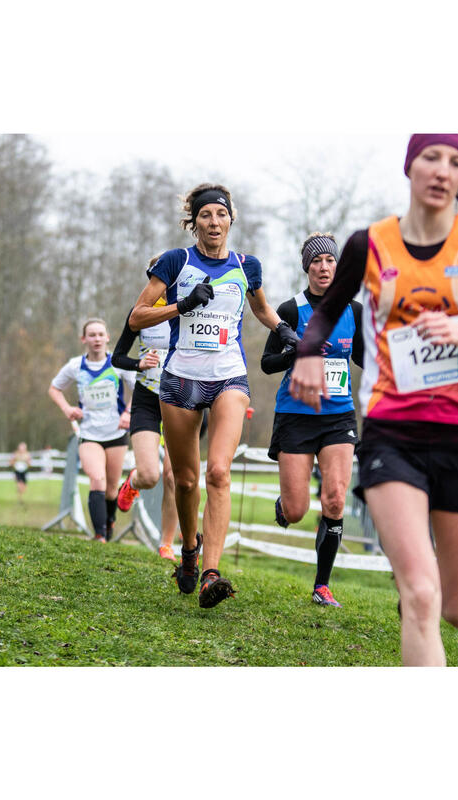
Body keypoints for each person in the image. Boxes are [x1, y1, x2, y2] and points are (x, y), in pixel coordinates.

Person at [288, 134, 458, 665]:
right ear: (409, 166)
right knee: (421, 595)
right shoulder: (367, 244)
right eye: (431, 158)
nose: (443, 171)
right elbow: (328, 309)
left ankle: (421, 591)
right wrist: (308, 350)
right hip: (391, 433)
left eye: (456, 162)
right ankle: (415, 592)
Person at [129, 183, 299, 608]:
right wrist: (182, 305)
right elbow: (136, 317)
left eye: (220, 215)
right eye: (205, 215)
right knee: (185, 481)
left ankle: (211, 573)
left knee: (218, 472)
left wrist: (281, 329)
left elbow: (260, 307)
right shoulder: (175, 262)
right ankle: (189, 552)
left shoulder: (247, 265)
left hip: (228, 377)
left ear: (230, 219)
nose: (214, 222)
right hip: (180, 378)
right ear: (194, 222)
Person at [261, 232, 363, 608]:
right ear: (307, 268)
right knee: (297, 510)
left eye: (330, 261)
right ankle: (284, 504)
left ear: (338, 267)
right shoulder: (290, 310)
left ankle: (322, 586)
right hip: (296, 416)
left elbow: (370, 360)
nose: (323, 268)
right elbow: (267, 363)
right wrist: (296, 352)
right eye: (316, 262)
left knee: (335, 498)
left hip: (338, 417)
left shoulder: (354, 312)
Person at [112, 255, 179, 561]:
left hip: (181, 400)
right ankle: (132, 482)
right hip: (147, 399)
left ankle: (167, 543)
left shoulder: (187, 310)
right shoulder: (140, 312)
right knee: (151, 475)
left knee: (175, 478)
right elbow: (117, 358)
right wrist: (139, 363)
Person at [49, 318, 136, 542]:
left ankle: (108, 525)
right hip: (89, 434)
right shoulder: (75, 366)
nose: (96, 339)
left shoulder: (118, 363)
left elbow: (139, 389)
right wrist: (67, 408)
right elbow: (54, 388)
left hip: (116, 434)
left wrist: (128, 412)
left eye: (100, 334)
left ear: (107, 337)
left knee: (111, 490)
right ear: (84, 339)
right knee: (97, 478)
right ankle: (99, 535)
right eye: (92, 335)